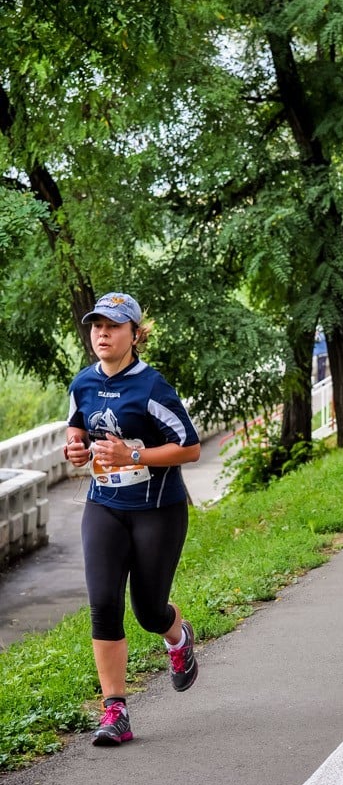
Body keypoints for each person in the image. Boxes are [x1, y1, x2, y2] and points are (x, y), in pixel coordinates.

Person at [64, 292, 201, 746]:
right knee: (104, 604)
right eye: (97, 326)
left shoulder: (152, 387)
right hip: (104, 506)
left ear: (135, 335)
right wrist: (75, 449)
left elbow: (190, 447)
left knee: (147, 611)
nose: (102, 333)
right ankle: (115, 710)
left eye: (113, 326)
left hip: (157, 511)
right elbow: (77, 427)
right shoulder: (83, 382)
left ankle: (177, 635)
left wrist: (133, 452)